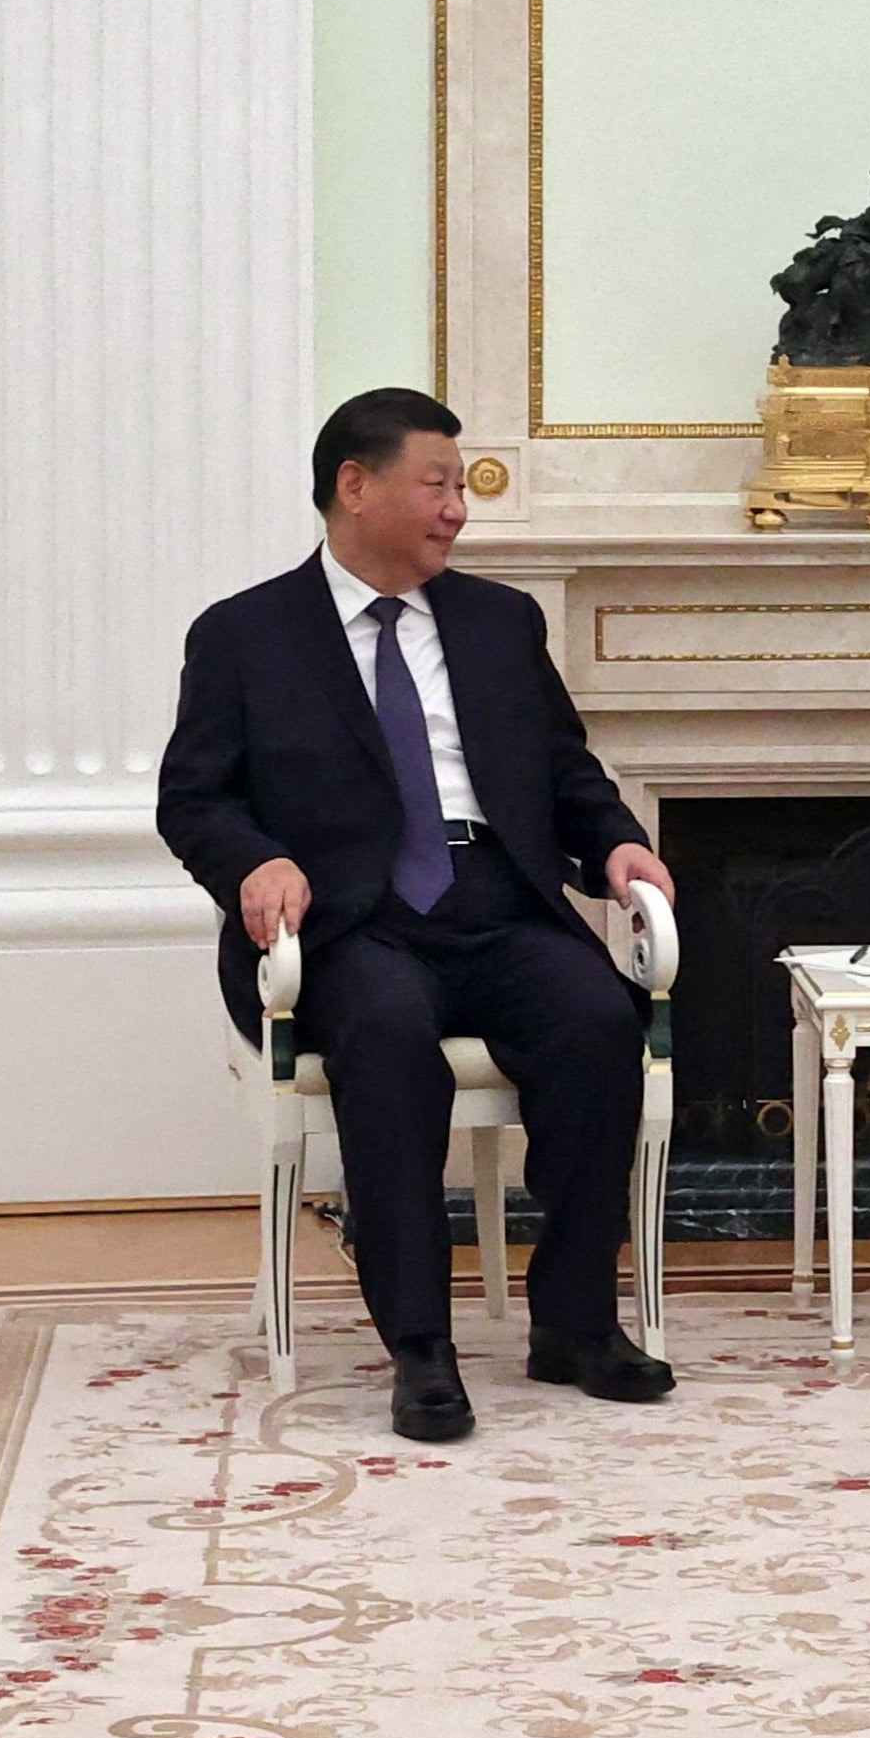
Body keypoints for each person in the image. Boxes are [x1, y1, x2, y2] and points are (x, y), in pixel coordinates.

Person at [159, 387, 679, 1443]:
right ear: (356, 486)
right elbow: (194, 797)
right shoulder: (244, 634)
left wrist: (615, 841)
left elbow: (560, 766)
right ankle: (420, 1347)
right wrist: (255, 861)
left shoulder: (498, 621)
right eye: (436, 483)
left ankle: (574, 1321)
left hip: (496, 897)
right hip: (348, 916)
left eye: (461, 488)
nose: (456, 509)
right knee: (391, 1041)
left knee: (595, 1023)